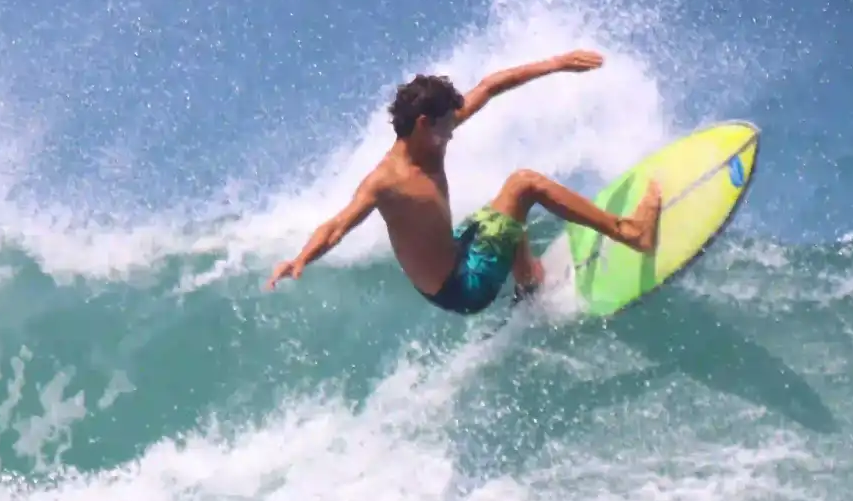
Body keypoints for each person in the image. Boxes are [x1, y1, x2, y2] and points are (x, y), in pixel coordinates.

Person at [265, 49, 660, 313]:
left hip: (455, 255)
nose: (453, 130)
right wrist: (301, 259)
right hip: (462, 287)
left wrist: (556, 63)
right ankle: (631, 233)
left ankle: (529, 284)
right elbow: (337, 226)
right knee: (525, 184)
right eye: (447, 124)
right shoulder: (387, 181)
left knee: (504, 212)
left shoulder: (429, 138)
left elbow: (489, 87)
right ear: (424, 124)